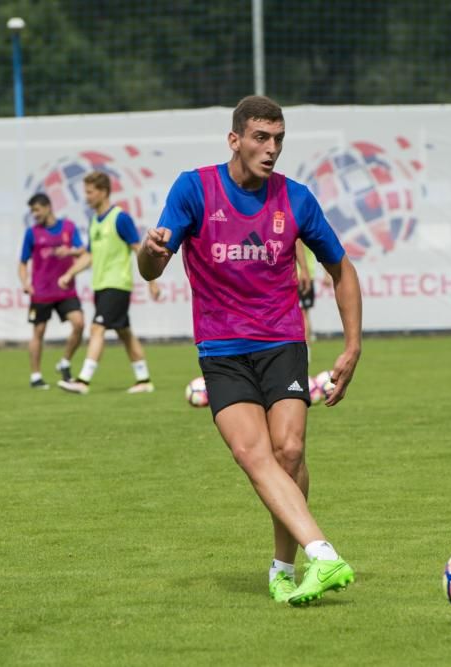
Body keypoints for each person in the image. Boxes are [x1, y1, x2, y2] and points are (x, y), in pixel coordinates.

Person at [137, 95, 362, 606]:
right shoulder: (194, 188)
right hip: (221, 349)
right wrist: (148, 254)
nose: (272, 149)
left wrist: (353, 345)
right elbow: (152, 267)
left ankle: (287, 569)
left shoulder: (296, 198)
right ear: (234, 140)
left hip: (283, 341)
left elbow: (341, 269)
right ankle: (323, 555)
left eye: (279, 139)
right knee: (252, 454)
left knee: (289, 451)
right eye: (261, 137)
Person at [56, 171, 161, 395]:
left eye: (90, 192)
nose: (86, 197)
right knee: (124, 333)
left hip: (117, 284)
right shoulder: (94, 221)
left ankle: (83, 381)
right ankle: (144, 380)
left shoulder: (121, 218)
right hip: (101, 285)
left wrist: (152, 280)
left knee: (97, 328)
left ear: (103, 192)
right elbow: (90, 255)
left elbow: (138, 250)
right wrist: (70, 273)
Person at [18, 193, 86, 389]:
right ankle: (36, 376)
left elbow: (82, 251)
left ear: (48, 207)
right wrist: (25, 282)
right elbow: (22, 263)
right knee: (38, 331)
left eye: (37, 209)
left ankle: (64, 362)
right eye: (32, 211)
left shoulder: (68, 227)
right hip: (41, 292)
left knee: (79, 323)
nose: (35, 214)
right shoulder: (32, 233)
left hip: (66, 289)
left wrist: (69, 251)